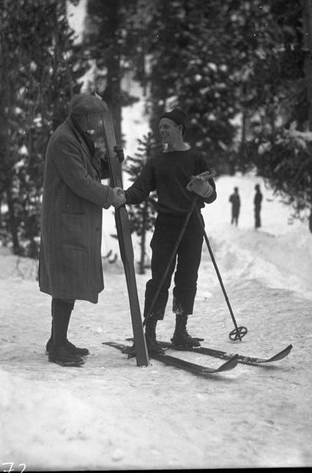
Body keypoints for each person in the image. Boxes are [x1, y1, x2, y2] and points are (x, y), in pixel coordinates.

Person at [39, 92, 126, 367]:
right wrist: (110, 195)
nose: (99, 122)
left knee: (68, 282)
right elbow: (79, 181)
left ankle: (58, 340)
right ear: (84, 116)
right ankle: (57, 346)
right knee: (65, 283)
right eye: (95, 116)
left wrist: (109, 164)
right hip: (65, 223)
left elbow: (87, 171)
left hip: (70, 221)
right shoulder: (65, 139)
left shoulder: (75, 135)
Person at [122, 108, 217, 356]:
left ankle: (180, 332)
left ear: (180, 129)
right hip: (166, 225)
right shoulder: (156, 162)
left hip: (192, 223)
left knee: (187, 278)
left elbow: (212, 195)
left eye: (167, 126)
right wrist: (121, 196)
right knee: (160, 279)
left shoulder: (196, 158)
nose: (162, 130)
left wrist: (202, 188)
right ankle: (149, 334)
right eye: (160, 126)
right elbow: (140, 190)